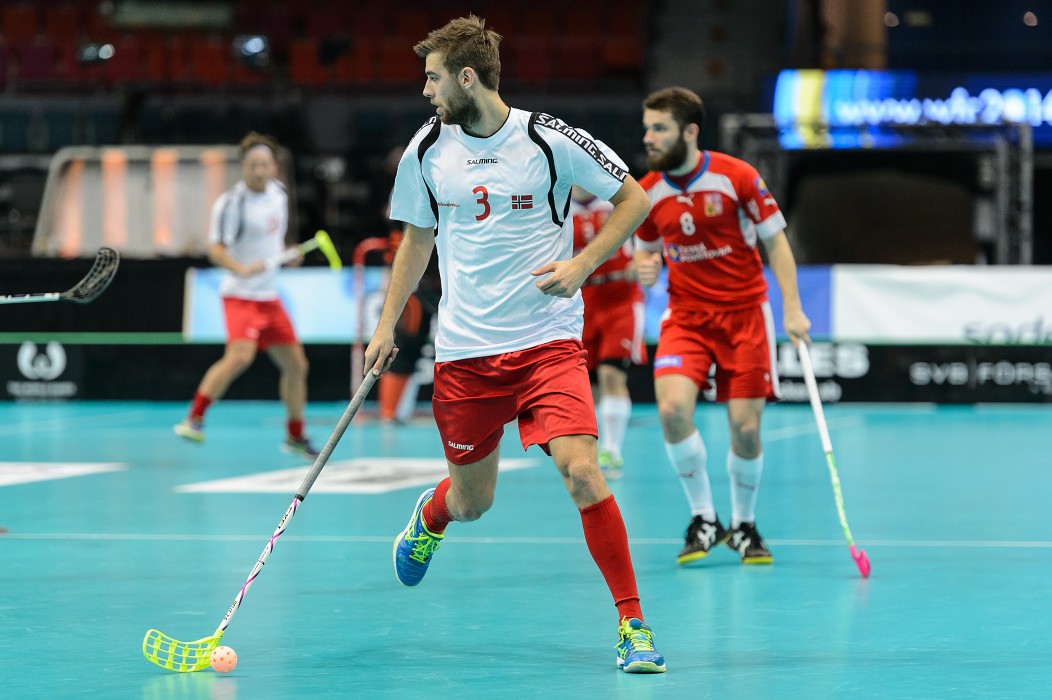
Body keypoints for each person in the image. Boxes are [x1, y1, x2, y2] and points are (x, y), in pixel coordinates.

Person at [363, 15, 665, 673]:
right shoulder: (426, 150)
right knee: (473, 503)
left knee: (582, 472)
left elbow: (634, 199)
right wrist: (386, 325)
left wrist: (583, 263)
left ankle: (633, 624)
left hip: (547, 343)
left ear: (467, 78)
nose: (426, 91)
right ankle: (432, 517)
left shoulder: (550, 139)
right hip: (466, 353)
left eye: (434, 78)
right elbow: (416, 240)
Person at [633, 87, 811, 567]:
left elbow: (777, 244)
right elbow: (643, 248)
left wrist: (793, 309)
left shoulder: (738, 177)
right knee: (672, 410)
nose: (648, 137)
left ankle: (744, 525)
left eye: (659, 128)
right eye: (647, 128)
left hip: (745, 315)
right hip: (686, 317)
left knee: (746, 428)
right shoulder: (647, 191)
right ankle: (704, 519)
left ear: (690, 132)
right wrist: (645, 265)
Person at [174, 131, 319, 458]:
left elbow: (273, 240)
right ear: (243, 167)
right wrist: (240, 268)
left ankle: (295, 436)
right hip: (240, 296)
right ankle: (193, 419)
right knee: (240, 356)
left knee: (297, 365)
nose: (259, 170)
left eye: (264, 164)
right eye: (253, 165)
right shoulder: (231, 203)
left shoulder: (279, 194)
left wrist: (287, 254)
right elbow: (215, 249)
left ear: (274, 166)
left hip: (270, 298)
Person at [570, 185, 647, 480]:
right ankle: (592, 450)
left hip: (620, 297)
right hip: (582, 301)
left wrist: (641, 260)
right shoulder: (559, 206)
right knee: (587, 383)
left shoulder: (618, 199)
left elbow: (647, 236)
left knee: (612, 374)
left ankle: (612, 451)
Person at [376, 228, 439, 423]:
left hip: (453, 282)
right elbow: (397, 242)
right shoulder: (403, 218)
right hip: (416, 289)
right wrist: (390, 288)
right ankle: (389, 413)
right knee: (405, 346)